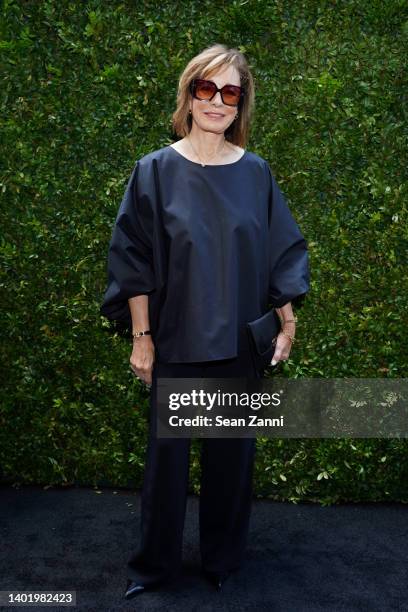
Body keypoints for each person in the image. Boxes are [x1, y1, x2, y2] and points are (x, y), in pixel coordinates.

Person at [100, 43, 310, 599]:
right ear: (189, 95)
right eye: (206, 89)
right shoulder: (154, 172)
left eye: (231, 91)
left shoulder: (258, 174)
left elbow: (280, 255)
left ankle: (222, 560)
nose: (218, 101)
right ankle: (154, 568)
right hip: (177, 341)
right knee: (165, 471)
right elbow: (135, 261)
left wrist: (286, 325)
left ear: (242, 104)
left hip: (243, 344)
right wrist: (142, 339)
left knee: (232, 465)